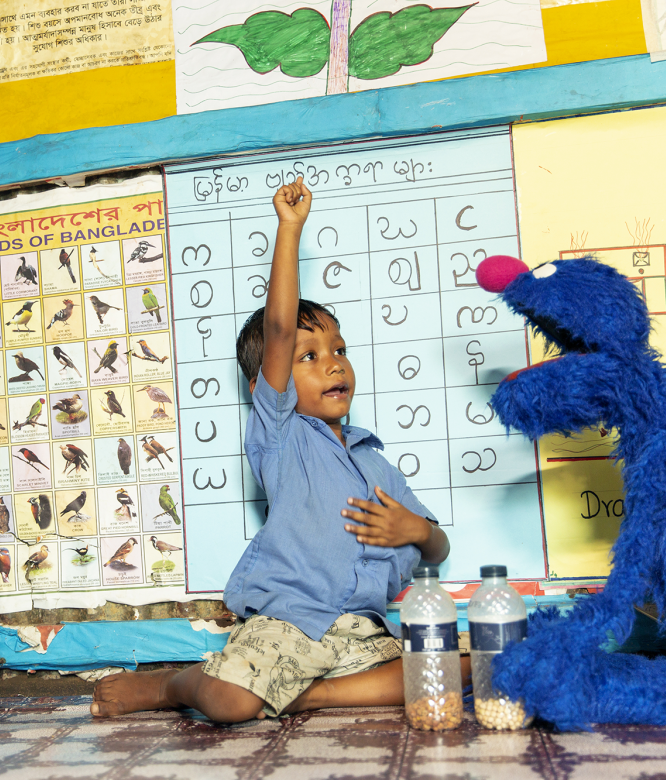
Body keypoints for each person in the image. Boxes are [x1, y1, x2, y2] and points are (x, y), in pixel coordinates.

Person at [92, 177, 465, 722]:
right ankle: (174, 685)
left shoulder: (376, 461)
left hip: (362, 630)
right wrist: (289, 231)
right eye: (309, 356)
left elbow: (437, 549)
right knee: (228, 706)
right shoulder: (281, 434)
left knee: (445, 672)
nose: (333, 363)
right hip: (289, 621)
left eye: (338, 349)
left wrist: (417, 531)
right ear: (269, 385)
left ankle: (303, 695)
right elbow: (279, 328)